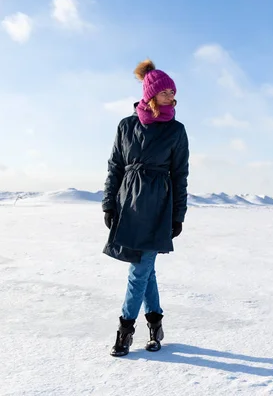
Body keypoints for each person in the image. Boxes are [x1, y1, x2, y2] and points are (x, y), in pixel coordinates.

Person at [101, 59, 190, 357]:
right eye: (166, 93)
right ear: (151, 93)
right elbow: (115, 166)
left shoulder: (176, 130)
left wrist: (178, 215)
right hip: (128, 204)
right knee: (145, 270)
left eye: (174, 94)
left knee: (139, 271)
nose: (172, 98)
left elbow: (180, 174)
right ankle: (155, 325)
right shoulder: (126, 126)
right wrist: (109, 203)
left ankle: (125, 331)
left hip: (157, 206)